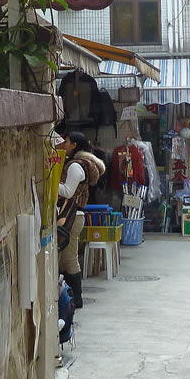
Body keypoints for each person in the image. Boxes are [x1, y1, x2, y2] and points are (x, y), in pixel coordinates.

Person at [57, 131, 106, 309]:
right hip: (74, 217)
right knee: (66, 259)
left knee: (69, 259)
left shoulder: (75, 166)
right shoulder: (80, 164)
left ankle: (76, 299)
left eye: (67, 142)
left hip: (71, 217)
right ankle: (71, 296)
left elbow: (68, 192)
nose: (64, 145)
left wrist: (52, 184)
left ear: (74, 145)